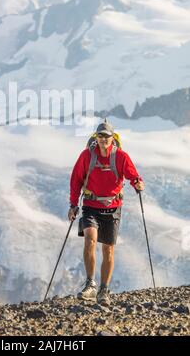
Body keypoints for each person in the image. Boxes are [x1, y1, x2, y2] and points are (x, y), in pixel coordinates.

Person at [68, 119, 144, 305]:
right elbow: (76, 179)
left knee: (108, 249)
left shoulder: (121, 157)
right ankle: (90, 284)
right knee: (90, 239)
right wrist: (72, 205)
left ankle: (104, 289)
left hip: (113, 208)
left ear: (112, 138)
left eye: (106, 136)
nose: (103, 139)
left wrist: (137, 183)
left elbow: (133, 175)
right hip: (90, 206)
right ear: (96, 138)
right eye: (100, 136)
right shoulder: (87, 156)